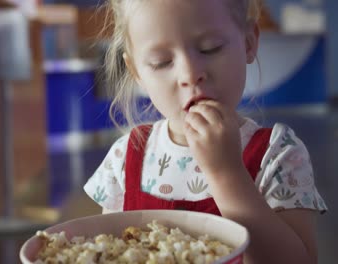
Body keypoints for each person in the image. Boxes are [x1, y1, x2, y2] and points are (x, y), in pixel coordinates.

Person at [83, 0, 328, 263]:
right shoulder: (124, 159)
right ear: (136, 72)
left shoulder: (278, 155)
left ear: (248, 42)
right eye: (161, 62)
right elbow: (109, 253)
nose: (190, 74)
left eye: (210, 48)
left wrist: (226, 174)